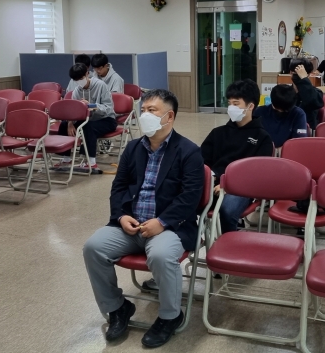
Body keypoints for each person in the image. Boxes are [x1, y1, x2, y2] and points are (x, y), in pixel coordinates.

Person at [82, 89, 204, 348]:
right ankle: (118, 307)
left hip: (169, 227)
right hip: (131, 224)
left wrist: (162, 222)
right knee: (93, 247)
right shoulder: (133, 148)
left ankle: (170, 316)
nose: (145, 115)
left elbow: (190, 198)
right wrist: (121, 216)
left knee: (160, 255)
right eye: (143, 110)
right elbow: (119, 187)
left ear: (169, 116)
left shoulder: (189, 151)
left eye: (152, 110)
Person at [201, 79, 274, 234]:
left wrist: (229, 184)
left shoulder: (262, 137)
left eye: (236, 103)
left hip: (242, 187)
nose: (231, 108)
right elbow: (202, 161)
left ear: (250, 106)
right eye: (229, 103)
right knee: (185, 199)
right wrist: (211, 178)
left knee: (227, 209)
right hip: (213, 183)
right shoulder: (218, 133)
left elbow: (258, 172)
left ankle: (229, 242)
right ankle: (196, 239)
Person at [57, 63, 117, 174]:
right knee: (64, 125)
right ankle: (66, 159)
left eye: (81, 78)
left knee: (88, 127)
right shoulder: (77, 91)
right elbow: (73, 111)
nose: (79, 82)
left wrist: (91, 105)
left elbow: (109, 108)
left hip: (106, 119)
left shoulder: (101, 85)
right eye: (76, 80)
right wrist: (70, 123)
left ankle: (91, 162)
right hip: (88, 120)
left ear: (87, 74)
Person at [254, 84, 308, 149]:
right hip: (264, 151)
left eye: (284, 110)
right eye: (278, 109)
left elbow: (299, 142)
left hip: (289, 152)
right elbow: (253, 138)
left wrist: (280, 151)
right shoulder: (259, 112)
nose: (280, 112)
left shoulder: (298, 114)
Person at [289, 58, 325, 130]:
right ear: (290, 73)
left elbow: (313, 103)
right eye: (295, 73)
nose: (297, 76)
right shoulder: (285, 92)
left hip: (307, 129)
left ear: (308, 75)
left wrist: (304, 80)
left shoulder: (316, 92)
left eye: (300, 74)